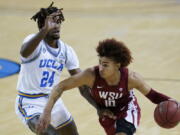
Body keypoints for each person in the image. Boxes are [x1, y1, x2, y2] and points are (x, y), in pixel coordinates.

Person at [37, 38, 175, 135]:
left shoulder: (131, 78)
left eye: (106, 64)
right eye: (100, 62)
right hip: (106, 114)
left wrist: (175, 105)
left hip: (127, 110)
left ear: (117, 65)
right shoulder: (90, 75)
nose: (101, 68)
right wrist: (46, 112)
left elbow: (155, 96)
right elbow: (59, 87)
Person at [15, 2, 95, 135]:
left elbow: (82, 84)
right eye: (52, 22)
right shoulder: (34, 43)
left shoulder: (66, 50)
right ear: (43, 25)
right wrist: (44, 30)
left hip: (52, 102)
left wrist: (98, 107)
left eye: (58, 22)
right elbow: (24, 52)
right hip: (29, 102)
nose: (57, 26)